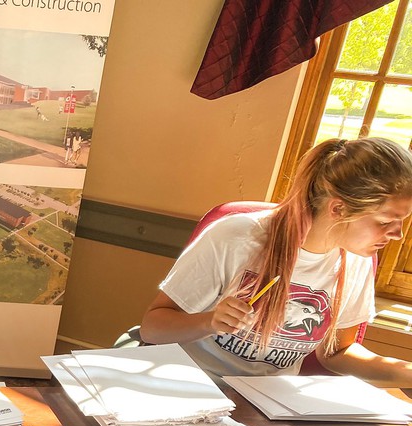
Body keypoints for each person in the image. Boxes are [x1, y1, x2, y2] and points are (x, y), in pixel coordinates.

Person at [139, 136, 412, 387]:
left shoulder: (356, 259)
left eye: (402, 222)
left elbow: (336, 353)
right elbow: (152, 328)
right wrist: (209, 321)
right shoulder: (237, 237)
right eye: (386, 221)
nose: (398, 235)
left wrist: (404, 373)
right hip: (188, 386)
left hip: (269, 404)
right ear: (338, 208)